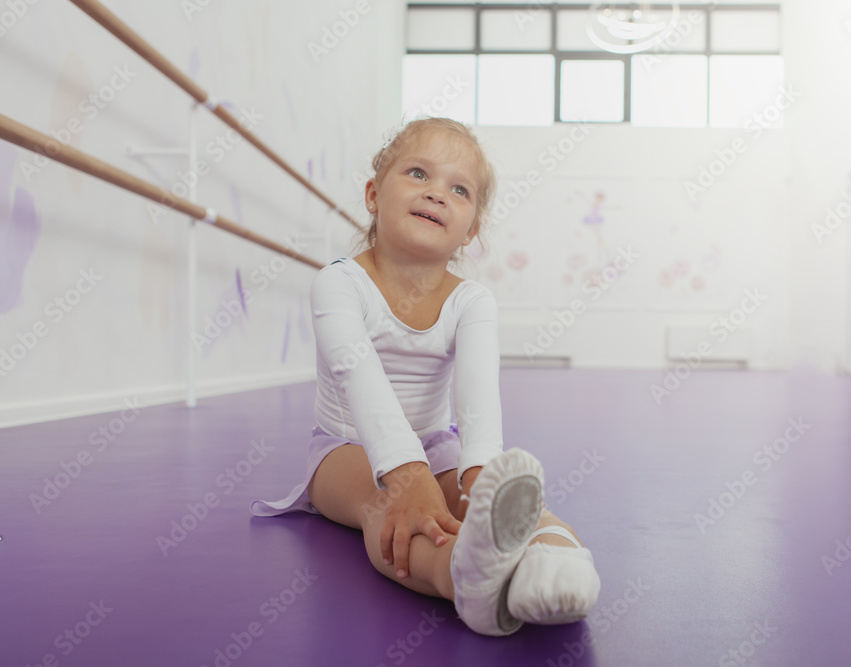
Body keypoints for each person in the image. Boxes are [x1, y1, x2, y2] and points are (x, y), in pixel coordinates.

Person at [251, 117, 600, 636]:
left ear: (471, 228)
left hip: (436, 442)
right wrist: (407, 476)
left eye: (458, 189)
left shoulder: (472, 301)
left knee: (491, 500)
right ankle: (463, 581)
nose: (436, 193)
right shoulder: (339, 284)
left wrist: (480, 480)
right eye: (418, 173)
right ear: (374, 194)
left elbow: (478, 399)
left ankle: (556, 556)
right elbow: (359, 378)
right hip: (343, 447)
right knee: (387, 508)